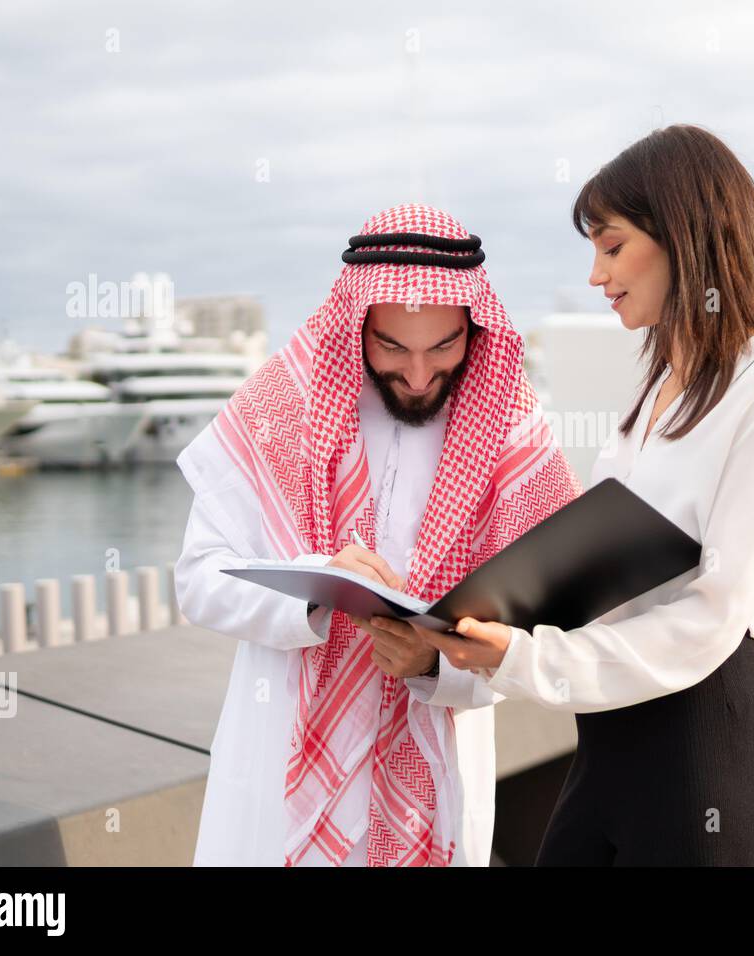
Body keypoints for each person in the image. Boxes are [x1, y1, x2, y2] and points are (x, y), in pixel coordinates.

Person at [369, 126, 754, 865]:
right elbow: (600, 590)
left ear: (686, 236)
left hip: (704, 763)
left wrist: (521, 660)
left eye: (611, 247)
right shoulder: (655, 392)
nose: (595, 274)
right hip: (606, 755)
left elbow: (713, 616)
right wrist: (449, 653)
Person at [173, 203, 580, 867]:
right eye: (392, 347)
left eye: (443, 347)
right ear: (356, 323)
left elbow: (539, 625)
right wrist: (316, 586)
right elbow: (197, 579)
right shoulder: (281, 409)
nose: (419, 375)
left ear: (473, 328)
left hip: (437, 763)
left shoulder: (512, 436)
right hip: (281, 760)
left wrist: (435, 664)